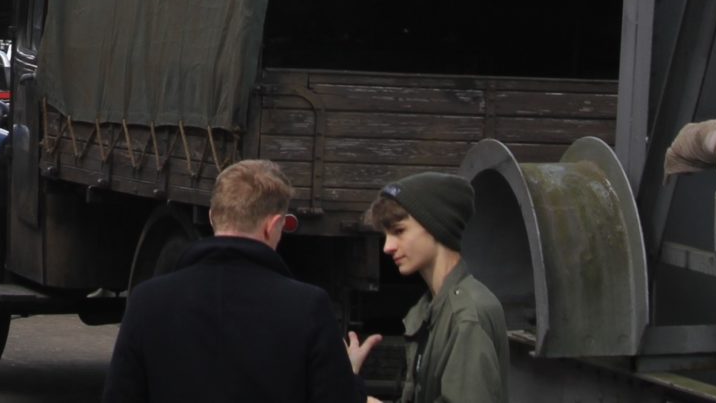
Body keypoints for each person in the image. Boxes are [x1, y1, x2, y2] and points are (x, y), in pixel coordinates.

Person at [101, 159, 373, 403]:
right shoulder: (308, 306)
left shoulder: (148, 300)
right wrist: (349, 375)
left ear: (212, 217)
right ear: (273, 225)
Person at [369, 173, 509, 403]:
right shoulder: (434, 308)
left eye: (399, 231)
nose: (387, 247)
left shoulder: (466, 316)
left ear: (435, 225)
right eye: (386, 235)